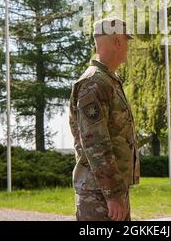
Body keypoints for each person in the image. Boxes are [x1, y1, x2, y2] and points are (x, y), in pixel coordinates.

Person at [69, 17, 140, 221]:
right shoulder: (94, 83)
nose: (127, 46)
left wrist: (117, 191)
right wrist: (113, 193)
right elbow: (95, 144)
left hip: (109, 192)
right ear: (117, 42)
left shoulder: (108, 81)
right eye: (126, 41)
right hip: (99, 196)